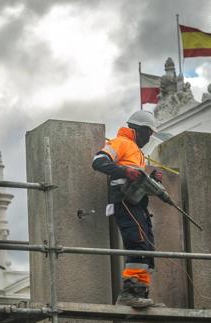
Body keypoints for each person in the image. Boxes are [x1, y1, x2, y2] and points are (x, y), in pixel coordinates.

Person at [92, 110, 162, 308]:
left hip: (137, 202)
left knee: (146, 246)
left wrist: (151, 176)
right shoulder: (120, 142)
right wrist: (125, 171)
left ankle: (140, 292)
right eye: (148, 133)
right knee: (137, 242)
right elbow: (98, 162)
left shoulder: (136, 152)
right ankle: (128, 293)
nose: (149, 138)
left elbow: (136, 176)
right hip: (124, 201)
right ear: (138, 129)